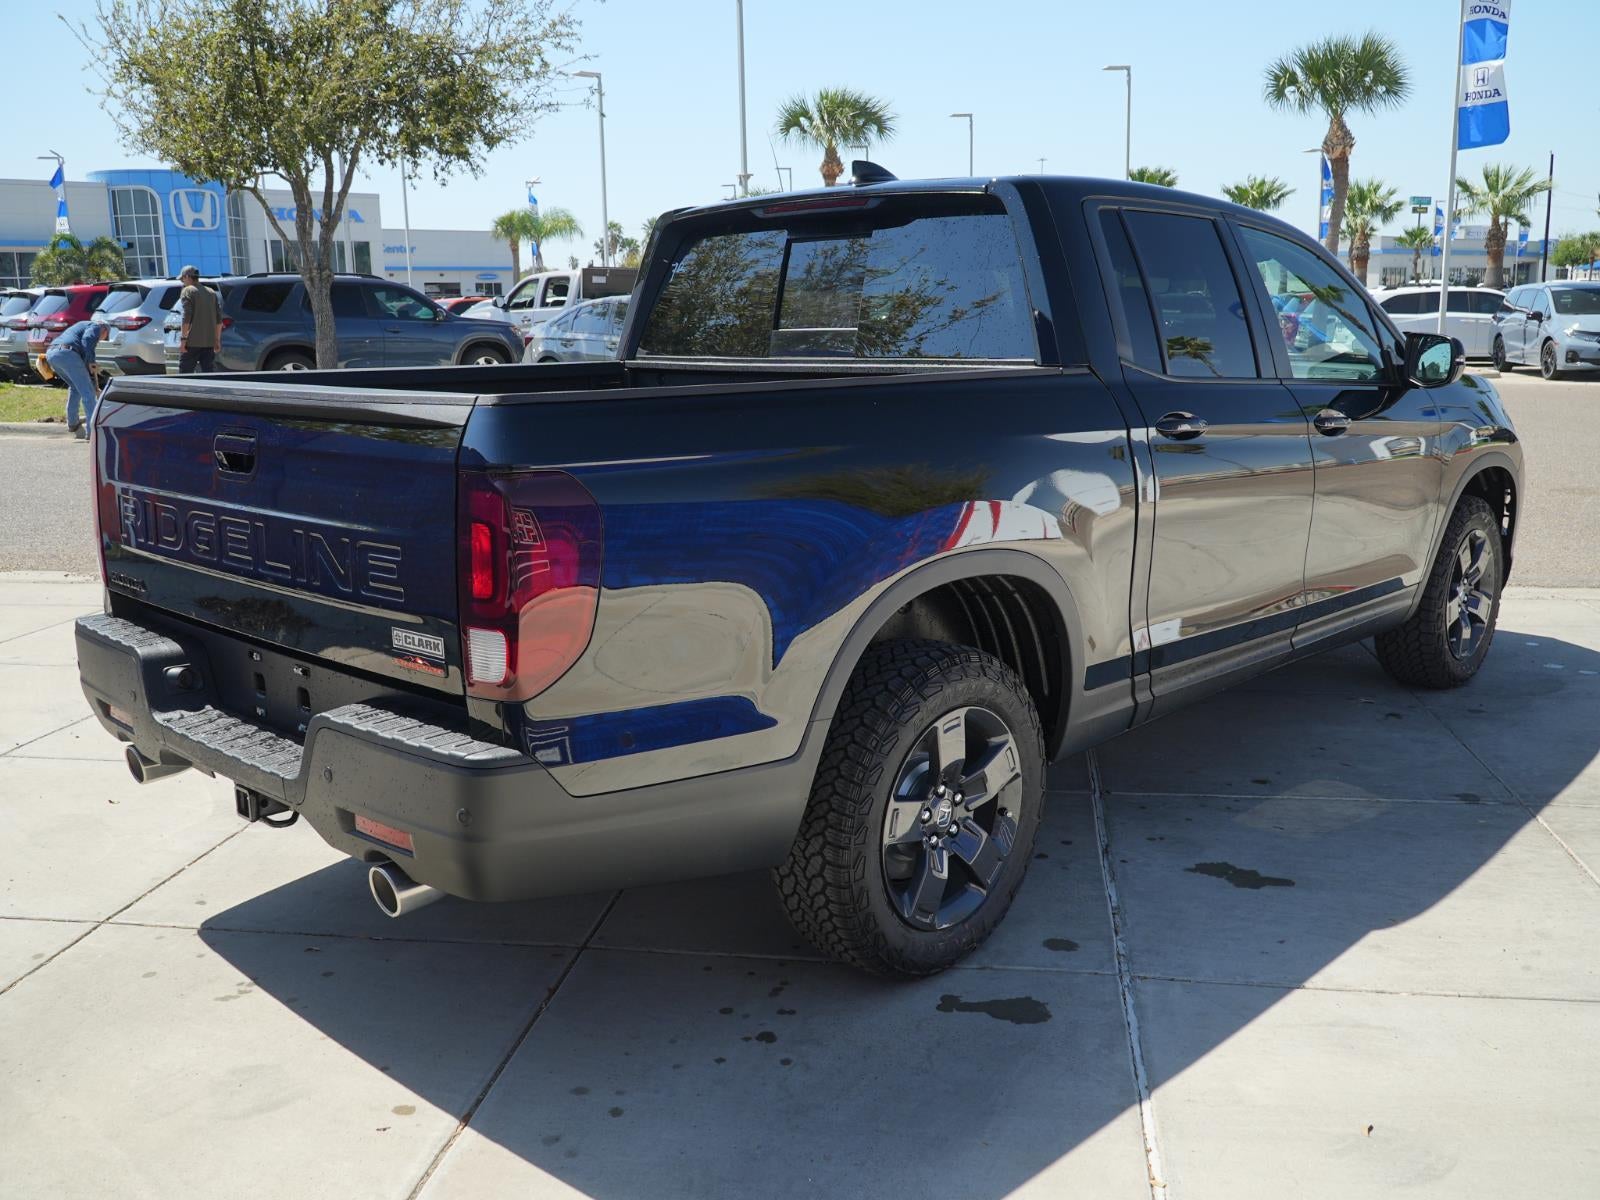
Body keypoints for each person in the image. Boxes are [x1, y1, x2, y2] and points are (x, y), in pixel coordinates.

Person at [44, 319, 103, 440]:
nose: (101, 340)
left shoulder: (79, 326)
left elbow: (81, 364)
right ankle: (92, 433)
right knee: (89, 394)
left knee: (76, 388)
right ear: (105, 329)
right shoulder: (96, 326)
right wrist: (92, 361)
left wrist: (92, 380)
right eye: (104, 337)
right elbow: (87, 340)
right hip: (67, 353)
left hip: (52, 353)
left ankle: (73, 423)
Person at [177, 265, 222, 373]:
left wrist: (183, 340)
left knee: (185, 373)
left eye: (182, 279)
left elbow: (187, 316)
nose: (182, 282)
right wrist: (217, 340)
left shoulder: (188, 291)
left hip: (192, 342)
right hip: (209, 342)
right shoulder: (211, 292)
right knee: (208, 373)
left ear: (187, 276)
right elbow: (219, 319)